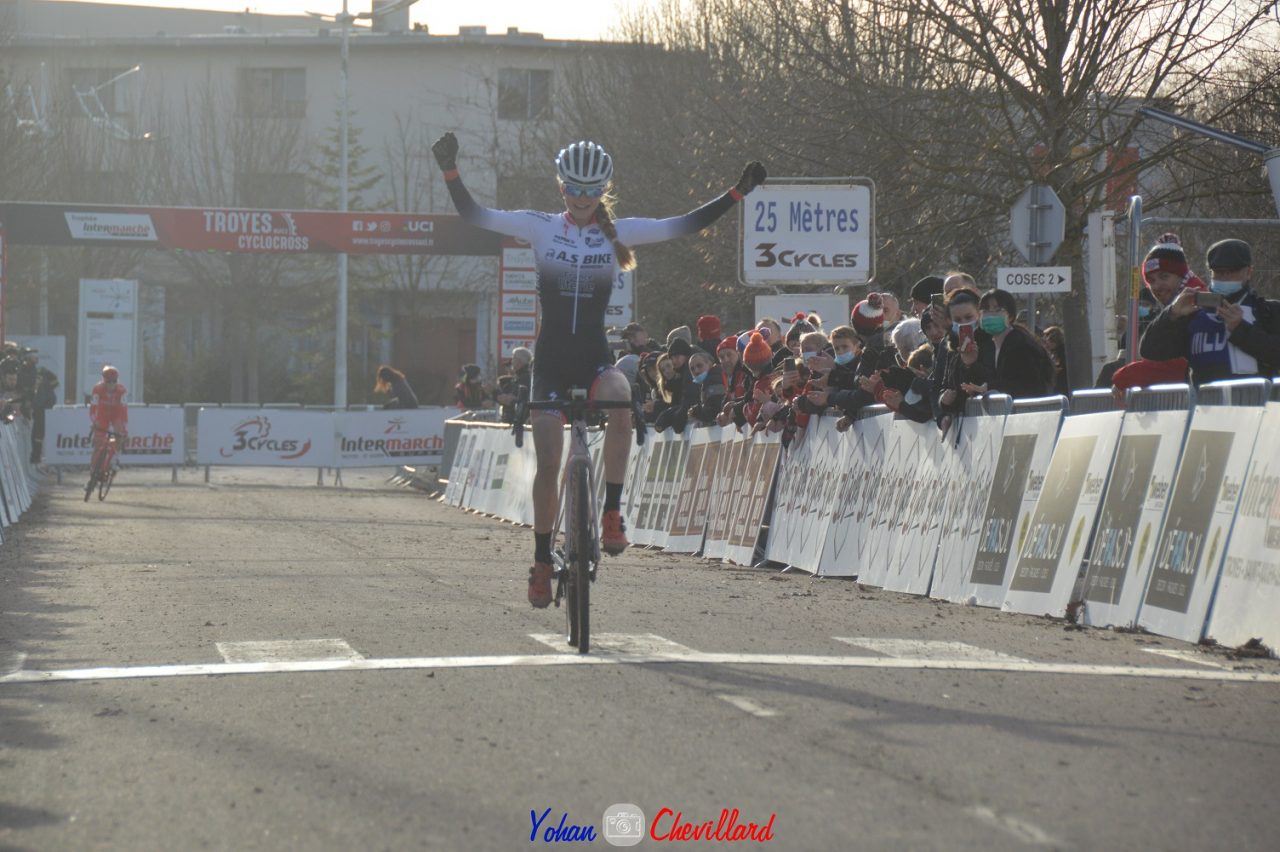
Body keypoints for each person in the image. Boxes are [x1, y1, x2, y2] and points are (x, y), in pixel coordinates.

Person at [431, 131, 766, 606]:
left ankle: (611, 512)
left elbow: (686, 224)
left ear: (603, 190)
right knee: (549, 461)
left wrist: (737, 191)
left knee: (622, 400)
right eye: (574, 189)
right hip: (549, 363)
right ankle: (543, 559)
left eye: (592, 191)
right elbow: (475, 215)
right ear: (561, 187)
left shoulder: (620, 232)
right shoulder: (540, 225)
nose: (583, 199)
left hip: (593, 358)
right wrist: (451, 170)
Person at [1139, 238, 1280, 386]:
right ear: (1210, 273)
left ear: (1248, 272)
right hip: (1205, 407)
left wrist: (1241, 329)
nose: (1225, 278)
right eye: (1219, 272)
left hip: (1258, 406)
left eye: (1232, 272)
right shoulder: (1194, 313)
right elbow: (1151, 351)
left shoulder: (1268, 311)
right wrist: (1172, 314)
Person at [950, 289, 1055, 401]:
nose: (990, 315)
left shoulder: (1020, 344)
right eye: (985, 310)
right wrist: (971, 365)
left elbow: (1030, 385)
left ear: (1010, 316)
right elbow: (988, 381)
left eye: (997, 310)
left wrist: (990, 388)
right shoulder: (989, 344)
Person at [89, 365, 128, 469]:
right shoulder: (97, 389)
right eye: (108, 381)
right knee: (98, 443)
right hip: (102, 414)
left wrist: (124, 427)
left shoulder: (122, 391)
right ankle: (93, 469)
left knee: (119, 434)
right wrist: (94, 421)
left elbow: (124, 411)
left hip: (116, 413)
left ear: (117, 380)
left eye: (114, 381)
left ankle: (114, 459)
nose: (111, 384)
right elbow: (93, 408)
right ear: (104, 380)